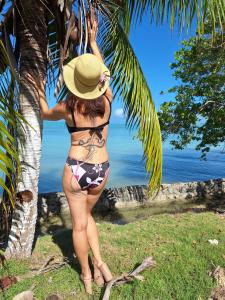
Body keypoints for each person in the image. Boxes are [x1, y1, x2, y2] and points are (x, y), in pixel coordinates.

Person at [38, 17, 113, 295]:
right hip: (101, 169)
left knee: (79, 226)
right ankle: (101, 264)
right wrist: (93, 41)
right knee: (87, 216)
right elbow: (105, 72)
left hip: (77, 169)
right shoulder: (107, 100)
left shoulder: (68, 107)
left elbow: (44, 113)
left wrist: (39, 86)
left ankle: (86, 275)